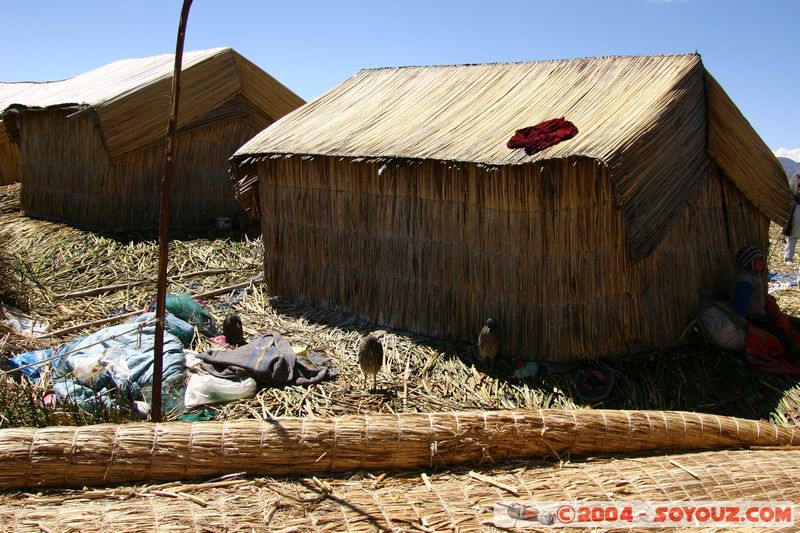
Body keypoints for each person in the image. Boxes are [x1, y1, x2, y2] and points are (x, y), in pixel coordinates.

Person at [731, 245, 800, 358]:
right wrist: (741, 317)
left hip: (761, 313)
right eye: (757, 261)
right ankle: (790, 348)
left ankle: (791, 342)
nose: (762, 264)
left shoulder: (754, 276)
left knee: (780, 324)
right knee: (773, 330)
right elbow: (741, 299)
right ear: (748, 263)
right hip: (753, 316)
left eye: (762, 261)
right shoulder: (745, 280)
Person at [782, 171, 800, 263]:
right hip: (797, 207)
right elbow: (797, 192)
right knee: (794, 234)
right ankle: (788, 258)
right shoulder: (797, 176)